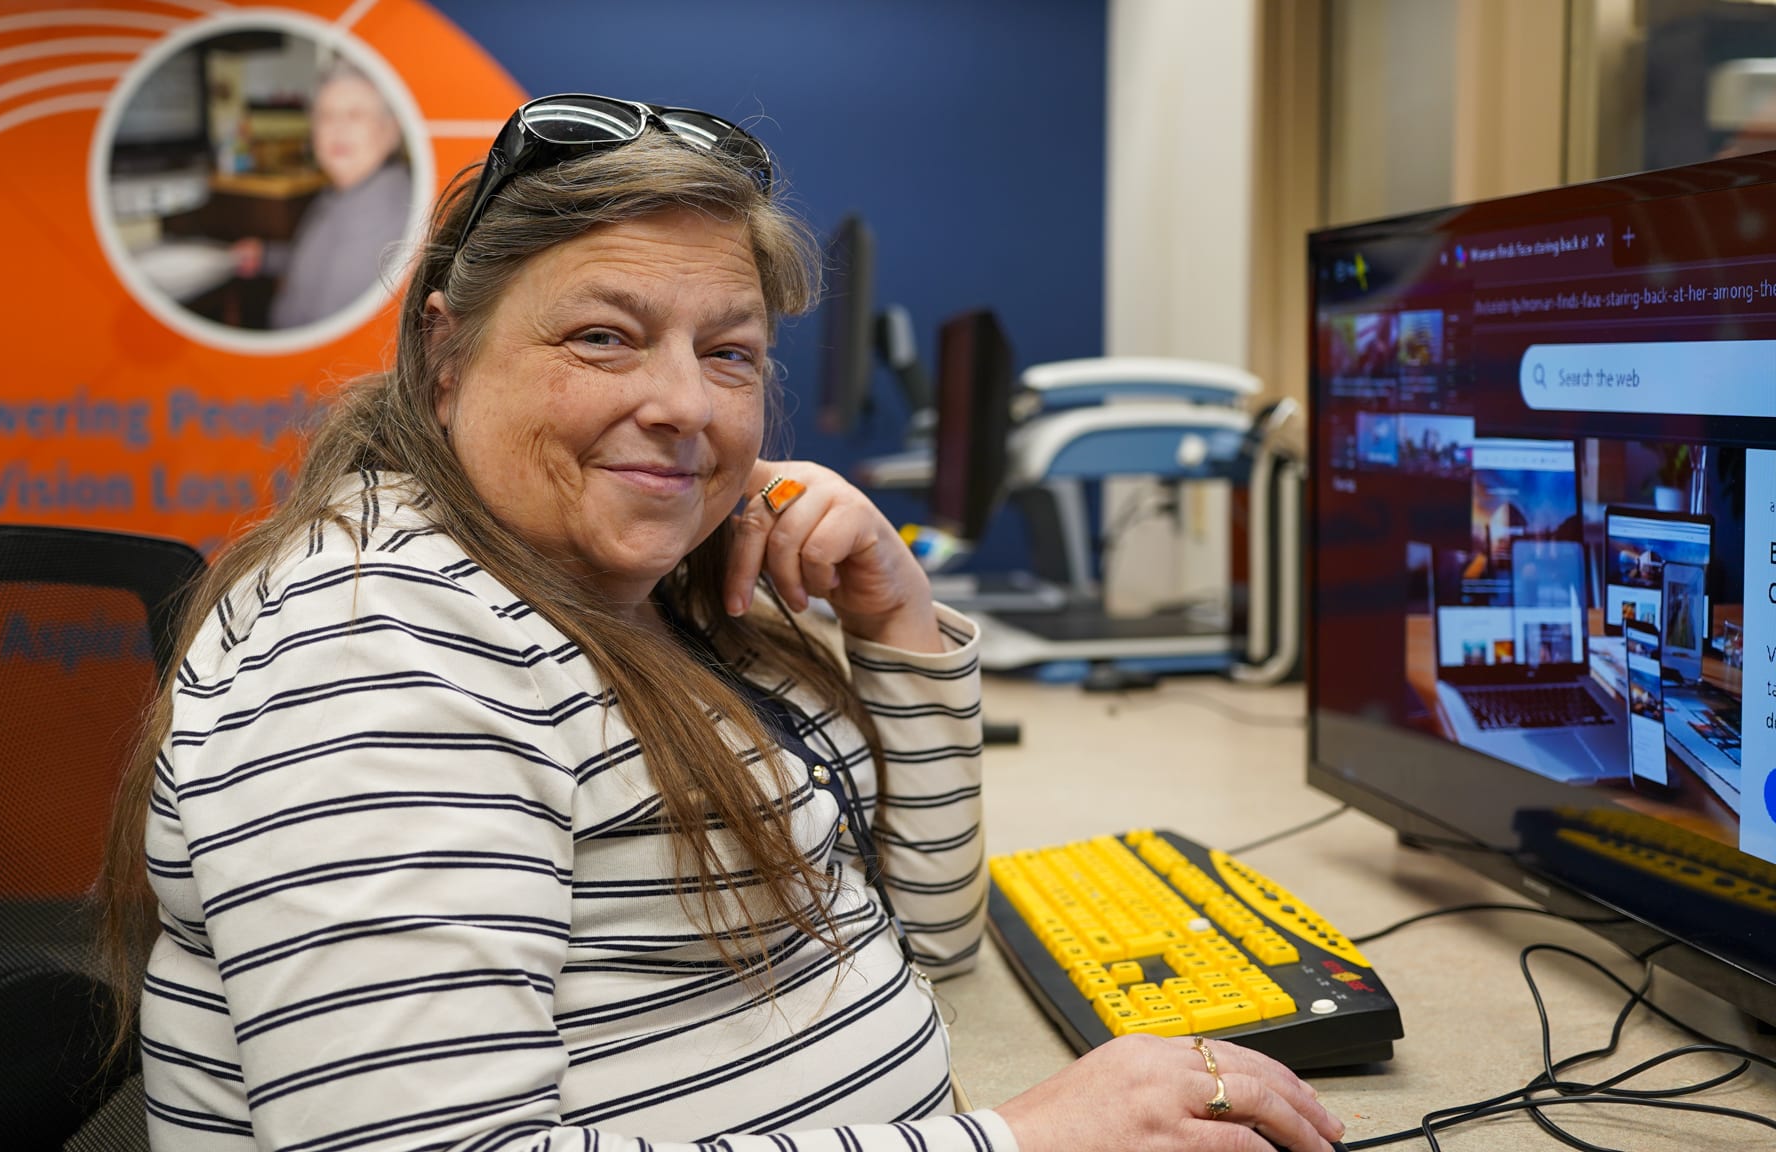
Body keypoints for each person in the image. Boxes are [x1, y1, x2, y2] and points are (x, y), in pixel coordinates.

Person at [102, 93, 1347, 1152]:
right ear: (446, 354)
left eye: (731, 353)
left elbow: (924, 932)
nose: (682, 404)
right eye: (604, 337)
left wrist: (898, 625)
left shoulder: (629, 595)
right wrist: (1015, 1141)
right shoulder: (380, 651)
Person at [230, 62, 415, 329]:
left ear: (391, 130)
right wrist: (266, 256)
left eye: (355, 115)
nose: (337, 129)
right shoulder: (344, 191)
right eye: (326, 116)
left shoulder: (387, 209)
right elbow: (317, 259)